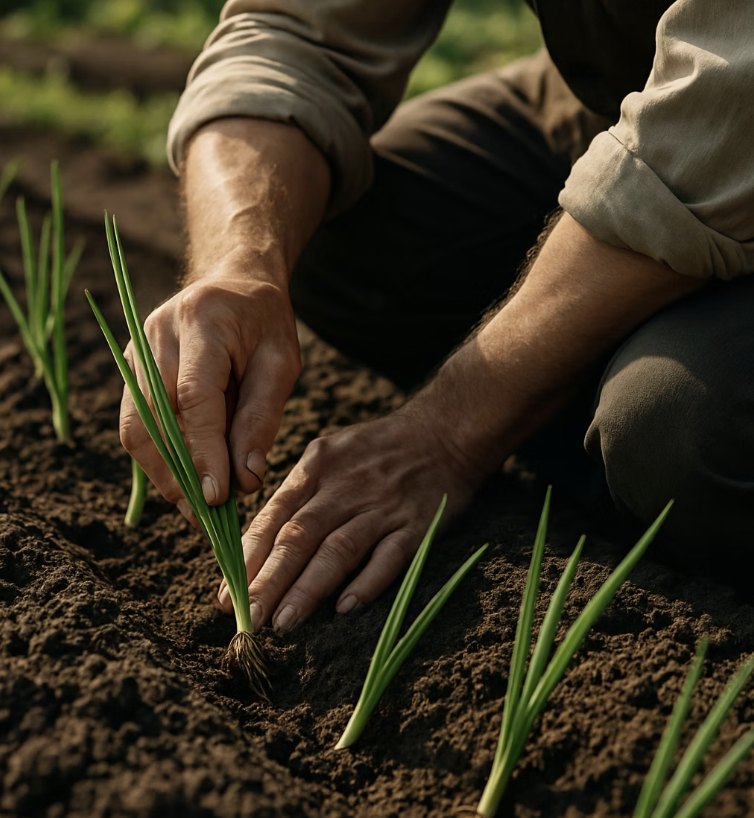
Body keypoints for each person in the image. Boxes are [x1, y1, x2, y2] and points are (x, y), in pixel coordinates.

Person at [122, 0, 754, 633]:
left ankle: (618, 429)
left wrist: (448, 433)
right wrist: (240, 264)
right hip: (626, 89)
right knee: (322, 226)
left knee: (672, 427)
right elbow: (288, 28)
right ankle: (592, 388)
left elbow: (723, 116)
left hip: (728, 105)